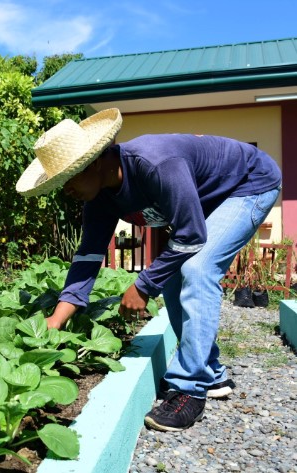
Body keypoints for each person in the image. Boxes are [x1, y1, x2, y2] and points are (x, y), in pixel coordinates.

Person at [16, 108, 282, 432]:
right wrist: (57, 319)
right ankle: (210, 375)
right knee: (172, 276)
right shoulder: (99, 198)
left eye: (67, 178)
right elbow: (87, 256)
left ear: (94, 161)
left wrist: (143, 285)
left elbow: (191, 236)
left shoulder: (154, 164)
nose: (65, 189)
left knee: (197, 269)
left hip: (248, 183)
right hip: (208, 198)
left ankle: (190, 390)